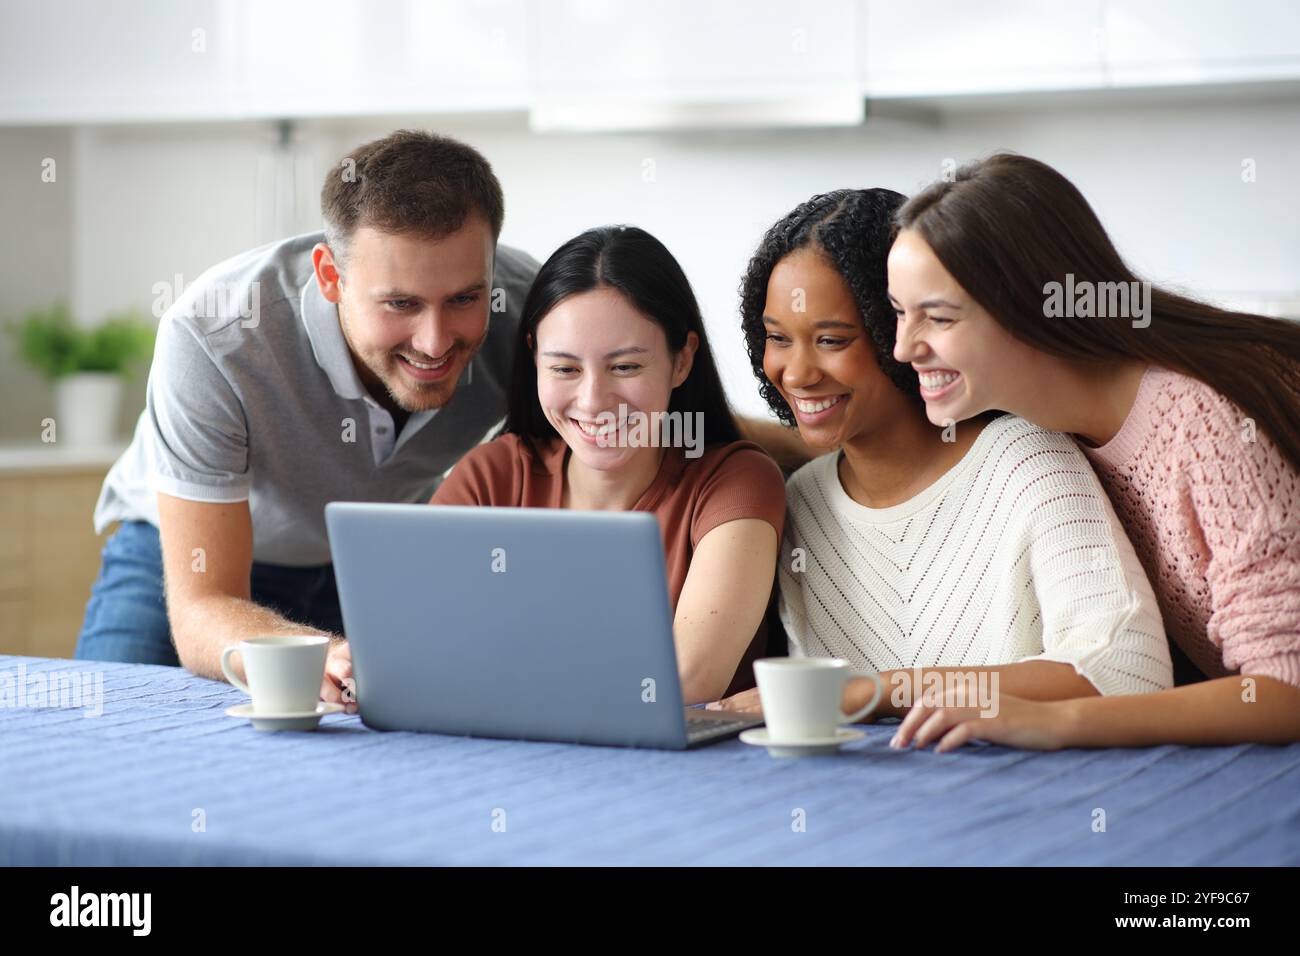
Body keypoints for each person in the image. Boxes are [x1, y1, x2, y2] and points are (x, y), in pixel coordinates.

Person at [77, 130, 538, 710]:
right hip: (185, 556)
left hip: (363, 558)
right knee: (107, 726)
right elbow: (201, 607)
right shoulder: (215, 336)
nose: (436, 340)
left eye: (465, 299)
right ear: (330, 276)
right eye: (401, 304)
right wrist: (302, 648)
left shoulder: (530, 314)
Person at [885, 152, 1300, 750]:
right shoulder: (1040, 428)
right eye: (900, 314)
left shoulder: (1202, 420)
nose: (904, 348)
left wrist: (1055, 722)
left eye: (938, 318)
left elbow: (1283, 690)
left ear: (1029, 308)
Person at [710, 188, 1172, 722]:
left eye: (832, 340)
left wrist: (876, 691)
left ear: (899, 332)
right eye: (777, 338)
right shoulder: (800, 501)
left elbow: (1126, 669)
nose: (797, 373)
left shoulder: (1026, 461)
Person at [430, 225, 786, 704]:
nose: (594, 401)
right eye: (565, 369)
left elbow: (685, 679)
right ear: (535, 359)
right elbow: (421, 649)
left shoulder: (735, 482)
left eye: (625, 367)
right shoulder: (492, 477)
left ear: (681, 361)